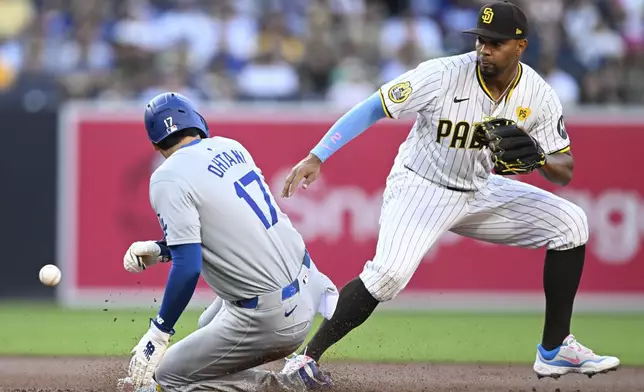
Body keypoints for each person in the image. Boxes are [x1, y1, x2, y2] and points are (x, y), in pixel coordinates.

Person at [280, 1, 620, 380]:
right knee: (388, 276)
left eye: (495, 42)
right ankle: (306, 358)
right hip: (421, 186)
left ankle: (555, 349)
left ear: (520, 46)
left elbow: (564, 170)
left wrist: (539, 157)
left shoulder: (538, 94)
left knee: (572, 224)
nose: (484, 49)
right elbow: (373, 107)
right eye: (480, 40)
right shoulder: (442, 74)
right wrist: (317, 155)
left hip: (479, 190)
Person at [118, 92, 336, 392]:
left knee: (168, 377)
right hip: (310, 283)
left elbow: (189, 266)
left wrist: (159, 332)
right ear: (199, 124)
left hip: (272, 316)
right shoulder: (231, 146)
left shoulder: (166, 177)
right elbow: (227, 228)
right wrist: (160, 250)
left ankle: (287, 385)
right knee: (206, 327)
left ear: (155, 144)